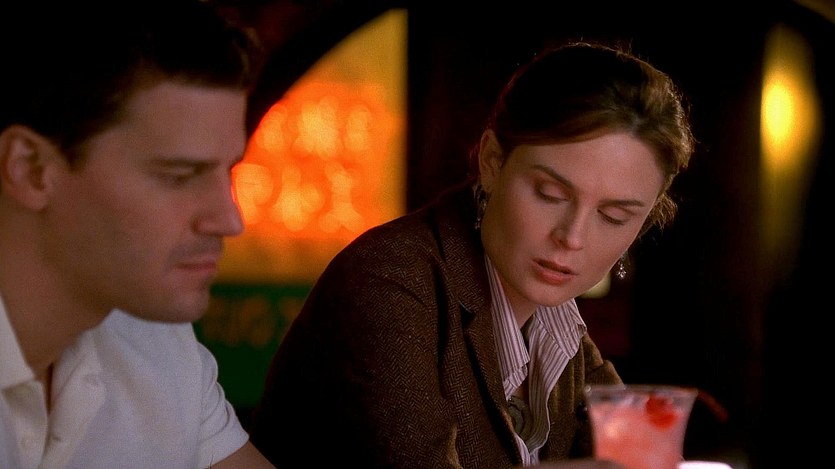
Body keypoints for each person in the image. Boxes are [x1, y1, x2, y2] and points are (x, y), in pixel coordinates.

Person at [249, 41, 694, 468]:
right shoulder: (388, 284)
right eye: (549, 193)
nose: (572, 238)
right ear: (492, 162)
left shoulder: (557, 329)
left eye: (613, 217)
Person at [0, 1, 276, 468]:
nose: (230, 221)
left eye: (228, 172)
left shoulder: (158, 343)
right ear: (31, 169)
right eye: (179, 176)